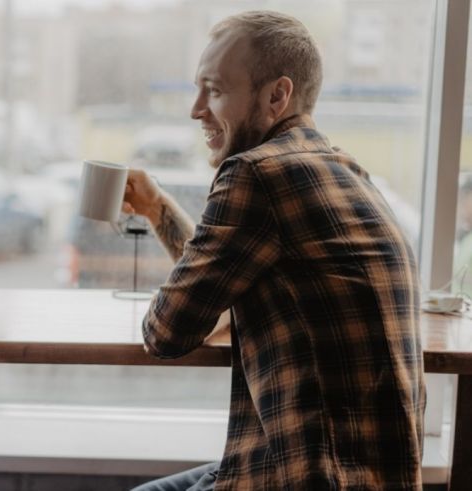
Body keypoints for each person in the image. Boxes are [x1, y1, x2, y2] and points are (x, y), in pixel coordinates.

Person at [124, 11, 425, 490]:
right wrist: (158, 208)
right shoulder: (343, 169)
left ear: (276, 96)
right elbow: (222, 277)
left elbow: (167, 331)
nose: (196, 108)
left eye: (215, 90)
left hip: (305, 475)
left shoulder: (255, 173)